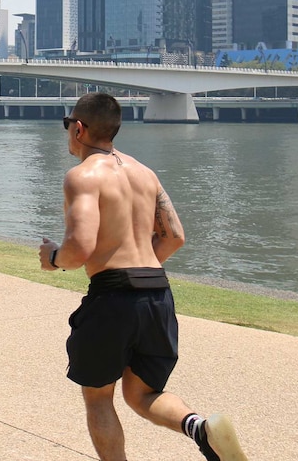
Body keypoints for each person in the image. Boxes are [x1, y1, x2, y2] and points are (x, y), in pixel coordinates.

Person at [39, 93, 247, 461]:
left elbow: (80, 248)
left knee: (99, 396)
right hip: (156, 293)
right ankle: (201, 428)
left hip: (112, 297)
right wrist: (143, 263)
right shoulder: (144, 173)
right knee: (142, 395)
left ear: (79, 128)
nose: (68, 131)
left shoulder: (82, 177)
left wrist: (54, 258)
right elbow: (175, 236)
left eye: (67, 124)